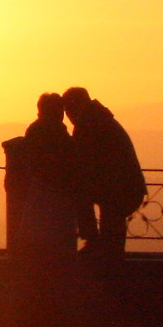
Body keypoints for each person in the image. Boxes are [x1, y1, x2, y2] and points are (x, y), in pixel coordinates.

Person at [62, 86, 147, 259]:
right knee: (112, 226)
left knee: (85, 197)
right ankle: (106, 252)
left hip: (117, 188)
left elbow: (81, 162)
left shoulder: (88, 124)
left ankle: (97, 245)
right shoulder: (99, 118)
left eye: (68, 109)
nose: (68, 116)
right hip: (125, 186)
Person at [4, 93, 80, 258]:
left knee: (37, 241)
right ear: (57, 112)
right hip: (54, 195)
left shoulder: (35, 130)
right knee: (55, 244)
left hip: (38, 195)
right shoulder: (56, 132)